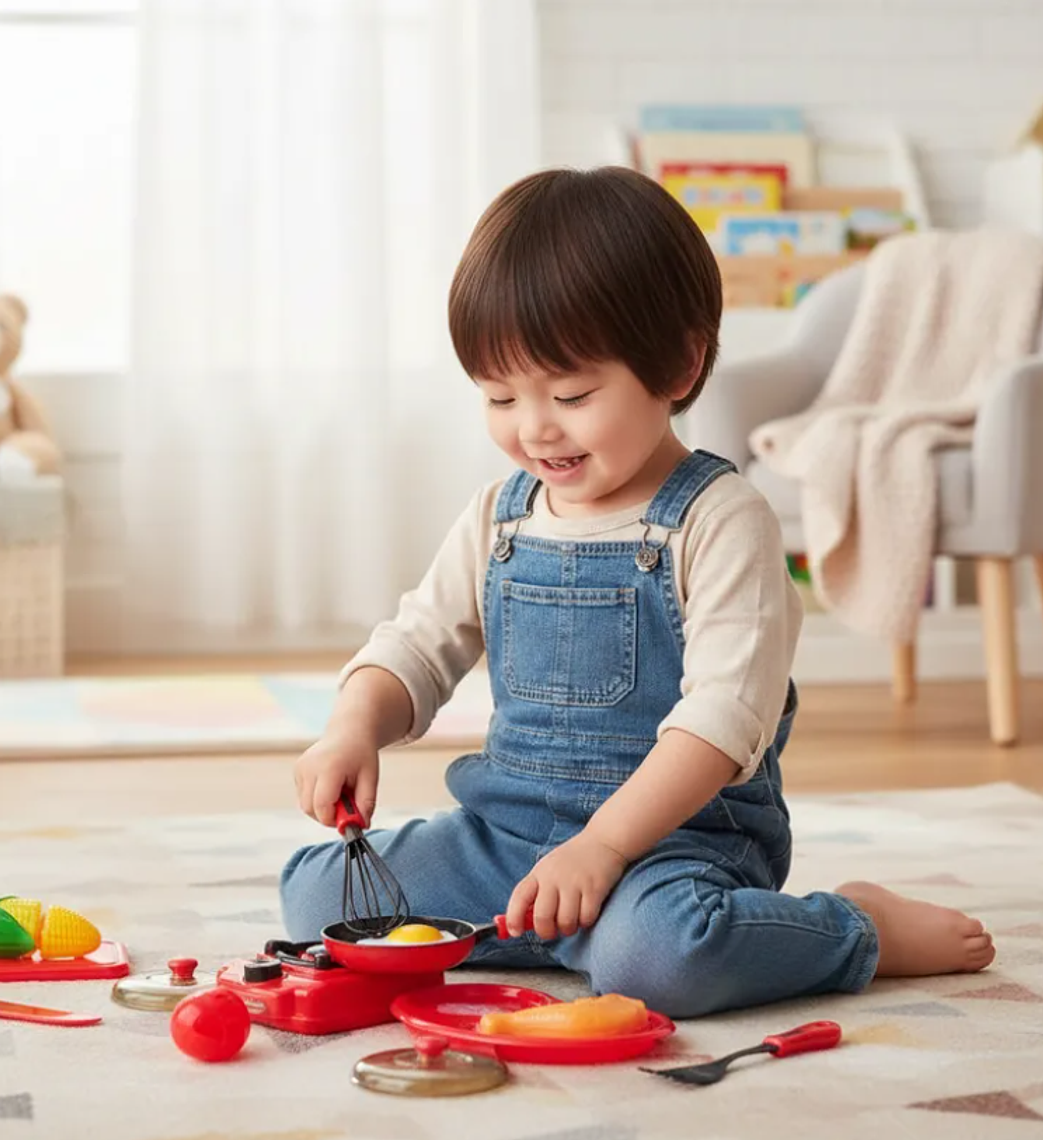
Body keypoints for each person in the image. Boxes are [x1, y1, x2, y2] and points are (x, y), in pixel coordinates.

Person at [280, 166, 995, 1018]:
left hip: (670, 848)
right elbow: (418, 642)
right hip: (505, 842)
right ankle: (552, 925)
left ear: (679, 364)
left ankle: (854, 929)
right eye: (501, 396)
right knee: (318, 900)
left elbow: (724, 719)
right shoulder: (500, 516)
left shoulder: (721, 521)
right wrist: (352, 728)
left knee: (659, 960)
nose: (535, 426)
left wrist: (607, 847)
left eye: (573, 394)